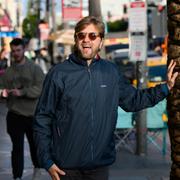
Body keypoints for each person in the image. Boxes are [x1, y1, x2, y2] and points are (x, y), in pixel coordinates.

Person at [33, 16, 178, 180]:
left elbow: (134, 100)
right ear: (76, 40)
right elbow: (42, 117)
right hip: (65, 167)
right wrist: (47, 161)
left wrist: (165, 88)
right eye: (81, 35)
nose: (86, 40)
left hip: (99, 167)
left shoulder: (111, 72)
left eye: (92, 36)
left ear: (101, 41)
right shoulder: (58, 73)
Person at [0, 38, 45, 180]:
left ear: (24, 49)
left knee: (34, 145)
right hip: (15, 115)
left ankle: (37, 171)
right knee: (17, 148)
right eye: (13, 51)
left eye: (18, 50)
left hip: (32, 115)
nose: (16, 53)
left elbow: (41, 89)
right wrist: (3, 93)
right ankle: (17, 176)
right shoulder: (8, 72)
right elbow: (1, 90)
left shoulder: (35, 68)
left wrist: (23, 92)